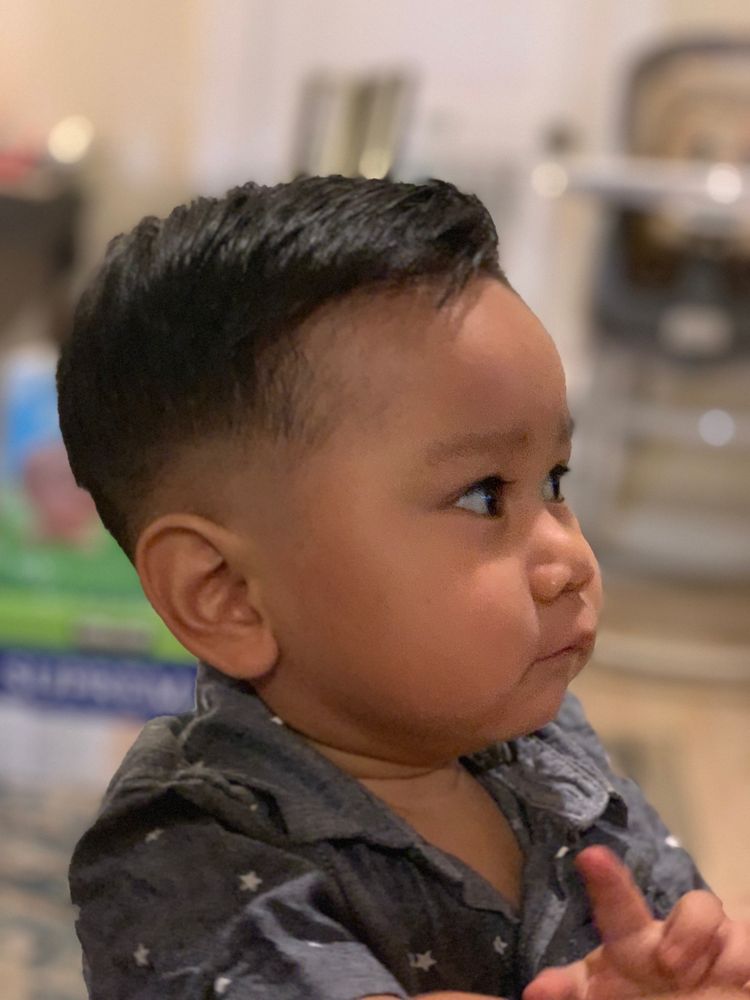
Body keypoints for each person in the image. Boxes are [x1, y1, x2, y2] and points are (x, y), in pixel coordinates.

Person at [58, 176, 749, 1000]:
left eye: (554, 482)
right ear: (227, 593)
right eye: (483, 496)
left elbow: (669, 935)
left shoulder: (547, 745)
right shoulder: (183, 855)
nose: (568, 556)